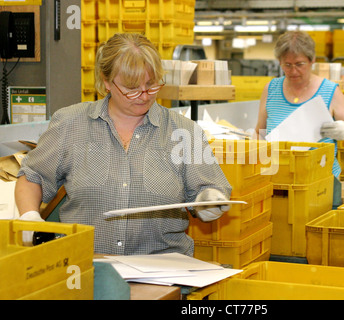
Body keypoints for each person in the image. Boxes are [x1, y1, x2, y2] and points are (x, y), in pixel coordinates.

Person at [14, 33, 232, 256]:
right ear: (106, 81)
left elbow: (209, 189)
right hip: (87, 265)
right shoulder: (70, 124)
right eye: (131, 88)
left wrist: (208, 201)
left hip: (163, 270)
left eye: (151, 84)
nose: (144, 96)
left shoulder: (184, 131)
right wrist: (30, 216)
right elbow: (34, 176)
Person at [254, 30, 344, 178]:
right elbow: (259, 131)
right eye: (287, 65)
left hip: (320, 180)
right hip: (280, 176)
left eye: (300, 64)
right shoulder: (271, 89)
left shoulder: (330, 91)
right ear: (280, 62)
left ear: (312, 61)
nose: (293, 71)